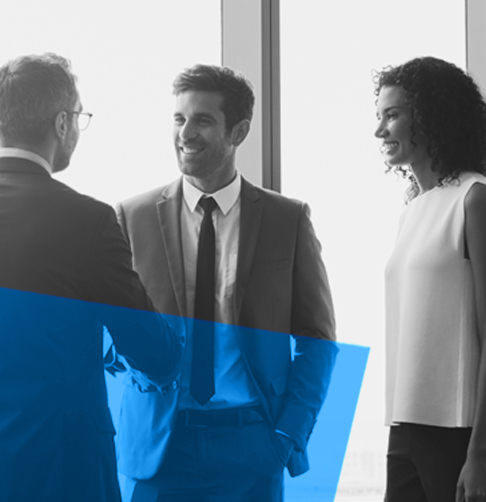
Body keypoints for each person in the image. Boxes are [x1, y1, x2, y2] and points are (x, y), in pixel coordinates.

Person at [115, 64, 338, 502]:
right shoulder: (131, 216)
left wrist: (287, 435)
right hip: (160, 446)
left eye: (202, 120)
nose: (185, 133)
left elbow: (318, 339)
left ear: (239, 132)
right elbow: (110, 326)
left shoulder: (286, 220)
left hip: (252, 446)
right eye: (179, 119)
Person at [0, 53, 182, 502]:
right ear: (61, 123)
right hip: (61, 468)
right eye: (79, 117)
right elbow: (154, 352)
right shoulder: (86, 221)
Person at [375, 56, 486, 502]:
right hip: (404, 427)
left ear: (432, 116)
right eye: (378, 116)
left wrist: (480, 452)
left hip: (459, 434)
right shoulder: (412, 212)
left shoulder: (473, 198)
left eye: (393, 115)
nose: (380, 131)